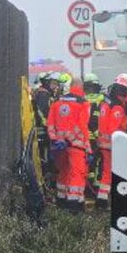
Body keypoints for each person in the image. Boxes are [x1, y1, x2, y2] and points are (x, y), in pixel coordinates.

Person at [47, 80, 92, 212]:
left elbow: (50, 124)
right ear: (81, 87)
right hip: (75, 145)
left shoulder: (56, 103)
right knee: (76, 173)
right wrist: (71, 140)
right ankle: (73, 204)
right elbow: (81, 126)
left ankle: (61, 200)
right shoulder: (83, 103)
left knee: (63, 171)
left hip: (59, 146)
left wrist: (54, 140)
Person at [96, 74, 127, 207]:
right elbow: (114, 128)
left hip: (103, 143)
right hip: (114, 145)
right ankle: (109, 200)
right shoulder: (118, 107)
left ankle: (102, 198)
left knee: (107, 171)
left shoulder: (105, 103)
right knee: (115, 172)